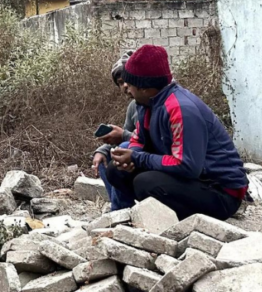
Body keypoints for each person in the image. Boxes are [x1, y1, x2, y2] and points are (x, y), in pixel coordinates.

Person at [105, 45, 248, 220]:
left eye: (130, 84)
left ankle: (174, 224)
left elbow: (187, 166)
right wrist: (131, 156)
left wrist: (137, 158)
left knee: (145, 183)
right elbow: (138, 140)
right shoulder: (145, 104)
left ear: (143, 88)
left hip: (220, 191)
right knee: (116, 170)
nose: (127, 89)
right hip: (192, 180)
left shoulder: (181, 109)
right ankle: (125, 219)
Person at [93, 51, 139, 210]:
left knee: (123, 151)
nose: (125, 85)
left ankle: (118, 212)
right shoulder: (133, 107)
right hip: (139, 155)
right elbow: (127, 134)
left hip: (155, 160)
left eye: (128, 79)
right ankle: (121, 209)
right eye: (120, 82)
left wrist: (124, 137)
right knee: (104, 157)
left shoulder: (156, 103)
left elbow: (153, 140)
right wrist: (101, 150)